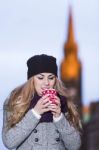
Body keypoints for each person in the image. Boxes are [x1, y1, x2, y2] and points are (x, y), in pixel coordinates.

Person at [2, 54, 82, 150]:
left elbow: (74, 146)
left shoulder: (64, 102)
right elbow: (9, 142)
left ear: (55, 80)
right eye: (40, 78)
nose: (46, 83)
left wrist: (59, 117)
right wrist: (35, 113)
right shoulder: (17, 101)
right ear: (31, 79)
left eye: (51, 77)